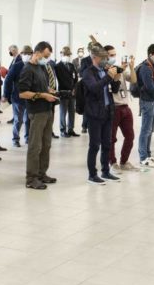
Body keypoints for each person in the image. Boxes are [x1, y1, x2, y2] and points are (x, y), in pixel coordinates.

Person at [18, 42, 58, 190]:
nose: (47, 59)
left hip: (47, 110)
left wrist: (50, 91)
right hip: (36, 112)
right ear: (38, 52)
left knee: (46, 145)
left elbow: (42, 86)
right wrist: (43, 95)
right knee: (35, 146)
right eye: (46, 56)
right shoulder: (27, 69)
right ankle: (31, 178)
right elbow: (23, 93)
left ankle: (42, 173)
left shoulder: (41, 68)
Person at [81, 46, 121, 185]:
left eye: (107, 58)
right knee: (94, 145)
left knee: (107, 144)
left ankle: (105, 171)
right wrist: (108, 78)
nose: (106, 60)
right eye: (103, 58)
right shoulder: (88, 73)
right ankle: (92, 174)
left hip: (108, 111)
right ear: (95, 58)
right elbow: (94, 88)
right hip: (94, 113)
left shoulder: (105, 71)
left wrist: (115, 78)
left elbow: (114, 90)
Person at [106, 45, 137, 171]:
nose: (113, 57)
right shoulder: (107, 70)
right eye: (111, 55)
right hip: (113, 106)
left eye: (114, 54)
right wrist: (119, 71)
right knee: (111, 138)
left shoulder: (120, 68)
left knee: (130, 136)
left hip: (125, 106)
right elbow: (113, 84)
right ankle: (112, 162)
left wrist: (131, 67)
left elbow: (133, 80)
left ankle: (124, 161)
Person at [7, 45, 32, 147]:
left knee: (28, 120)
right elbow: (8, 80)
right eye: (24, 54)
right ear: (21, 54)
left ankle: (27, 138)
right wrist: (6, 95)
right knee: (18, 120)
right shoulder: (16, 66)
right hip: (18, 98)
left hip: (30, 97)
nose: (26, 56)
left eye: (29, 54)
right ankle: (15, 139)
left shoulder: (33, 66)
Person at [55, 46, 79, 137]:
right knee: (63, 112)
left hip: (72, 93)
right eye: (65, 54)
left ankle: (70, 129)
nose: (67, 56)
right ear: (61, 54)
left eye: (68, 55)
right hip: (63, 92)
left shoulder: (71, 65)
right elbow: (58, 80)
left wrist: (74, 89)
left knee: (72, 112)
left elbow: (75, 78)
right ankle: (62, 130)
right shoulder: (57, 66)